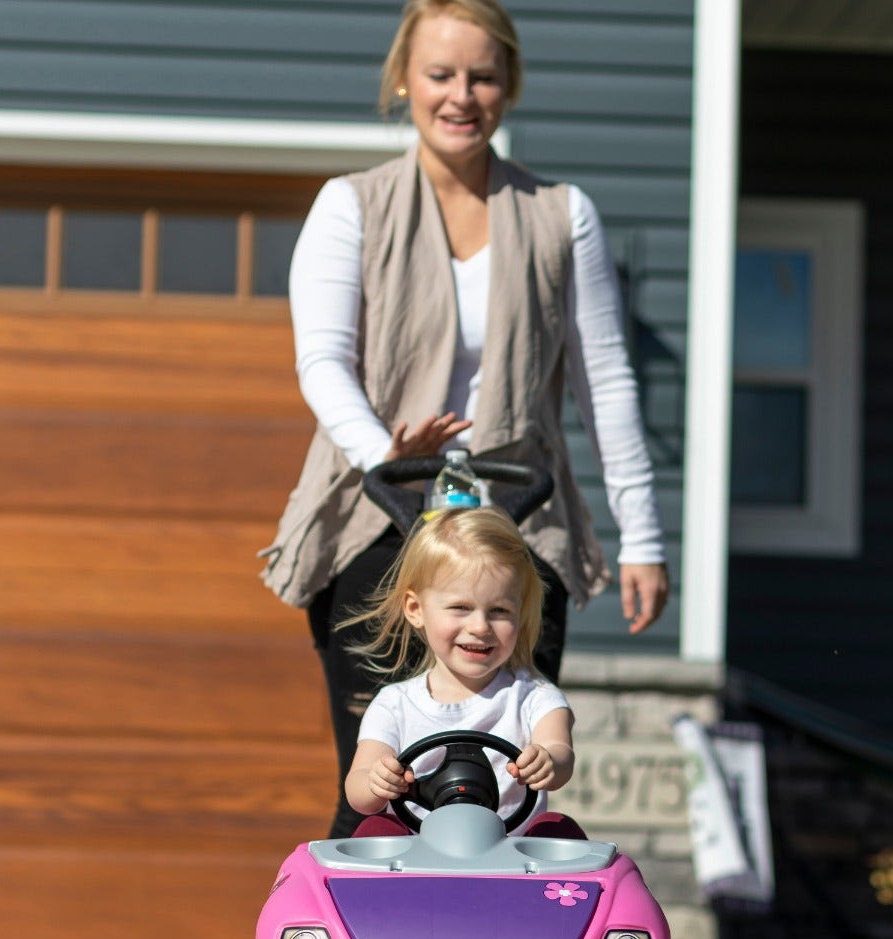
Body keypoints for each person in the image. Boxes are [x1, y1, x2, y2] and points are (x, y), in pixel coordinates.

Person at [259, 0, 669, 838]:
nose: (461, 95)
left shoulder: (562, 216)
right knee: (378, 789)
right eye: (440, 74)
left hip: (516, 522)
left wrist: (645, 535)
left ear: (509, 85)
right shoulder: (352, 206)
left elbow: (606, 382)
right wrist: (388, 461)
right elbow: (322, 362)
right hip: (376, 524)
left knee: (508, 792)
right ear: (405, 81)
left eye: (482, 75)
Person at [342, 506, 585, 839]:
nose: (480, 626)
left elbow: (560, 751)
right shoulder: (394, 703)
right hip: (416, 862)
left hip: (514, 863)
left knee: (559, 829)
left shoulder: (535, 697)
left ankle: (573, 892)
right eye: (460, 608)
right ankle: (368, 893)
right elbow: (358, 790)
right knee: (374, 828)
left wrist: (548, 761)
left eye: (499, 610)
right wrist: (377, 780)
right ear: (416, 610)